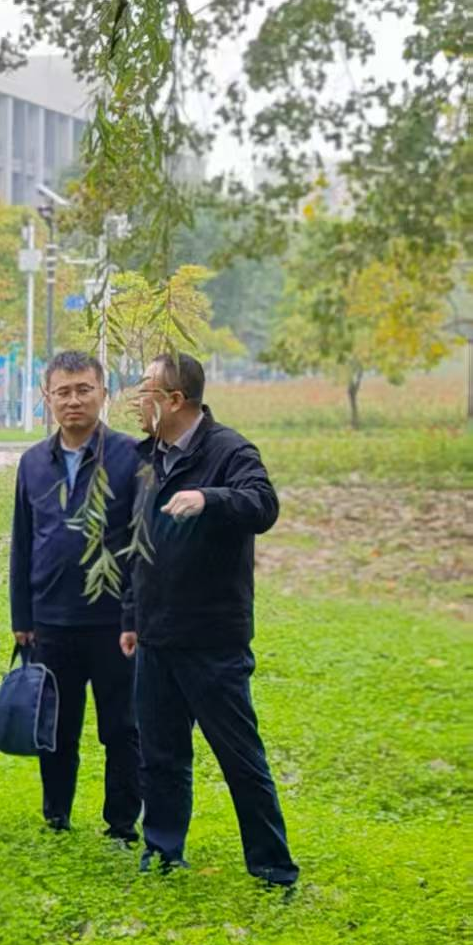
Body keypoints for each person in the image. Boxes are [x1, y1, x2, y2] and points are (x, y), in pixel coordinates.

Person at [121, 352, 299, 886]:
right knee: (160, 755)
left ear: (175, 399)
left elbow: (263, 505)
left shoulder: (229, 451)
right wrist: (131, 616)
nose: (137, 400)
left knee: (240, 756)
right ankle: (162, 851)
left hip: (211, 640)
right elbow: (135, 546)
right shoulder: (145, 458)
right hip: (156, 635)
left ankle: (272, 867)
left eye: (145, 389)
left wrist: (209, 498)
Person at [9, 350, 142, 840]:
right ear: (47, 397)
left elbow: (140, 545)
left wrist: (134, 616)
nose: (73, 401)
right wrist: (22, 616)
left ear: (103, 393)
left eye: (84, 389)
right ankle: (56, 814)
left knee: (122, 727)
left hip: (113, 622)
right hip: (51, 619)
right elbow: (23, 542)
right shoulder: (32, 463)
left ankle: (121, 822)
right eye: (63, 392)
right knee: (56, 725)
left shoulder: (131, 457)